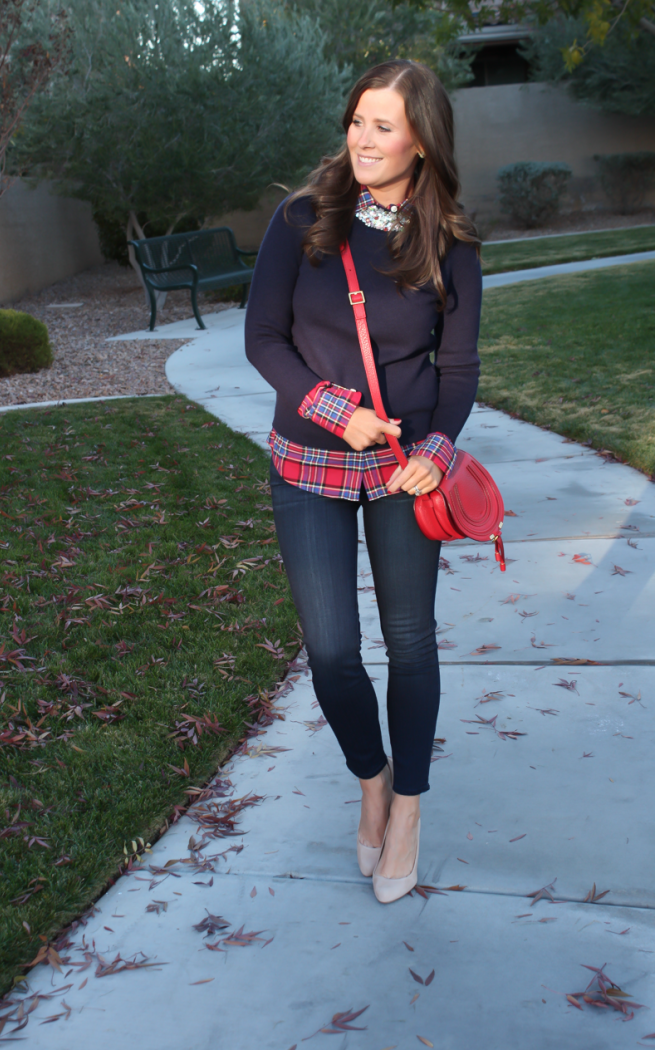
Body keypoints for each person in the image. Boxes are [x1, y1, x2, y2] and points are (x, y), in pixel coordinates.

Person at [245, 58, 482, 904]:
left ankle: (408, 810)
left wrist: (439, 450)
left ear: (421, 139)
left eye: (384, 126)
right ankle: (371, 779)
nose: (365, 139)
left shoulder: (447, 239)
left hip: (402, 470)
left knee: (411, 641)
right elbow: (263, 337)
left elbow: (458, 369)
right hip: (308, 458)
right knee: (334, 649)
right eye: (357, 122)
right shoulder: (302, 218)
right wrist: (330, 407)